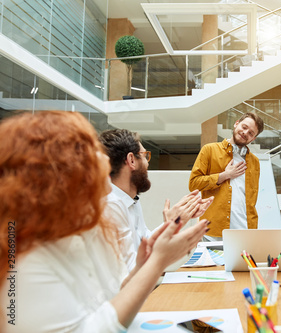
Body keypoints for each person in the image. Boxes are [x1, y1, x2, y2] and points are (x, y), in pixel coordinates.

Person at [0, 111, 209, 332]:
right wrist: (157, 261)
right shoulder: (24, 263)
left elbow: (116, 290)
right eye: (89, 152)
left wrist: (153, 255)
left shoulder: (83, 228)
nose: (102, 158)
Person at [99, 129, 213, 271]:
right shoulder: (109, 207)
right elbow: (129, 274)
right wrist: (170, 251)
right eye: (145, 156)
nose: (147, 163)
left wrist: (173, 222)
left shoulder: (131, 200)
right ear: (131, 160)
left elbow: (145, 242)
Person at [189, 112, 264, 241]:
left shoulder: (255, 162)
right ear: (236, 124)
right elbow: (194, 184)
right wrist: (224, 176)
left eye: (251, 133)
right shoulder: (209, 150)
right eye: (244, 127)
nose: (246, 133)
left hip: (245, 232)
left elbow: (251, 199)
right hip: (213, 231)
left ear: (253, 139)